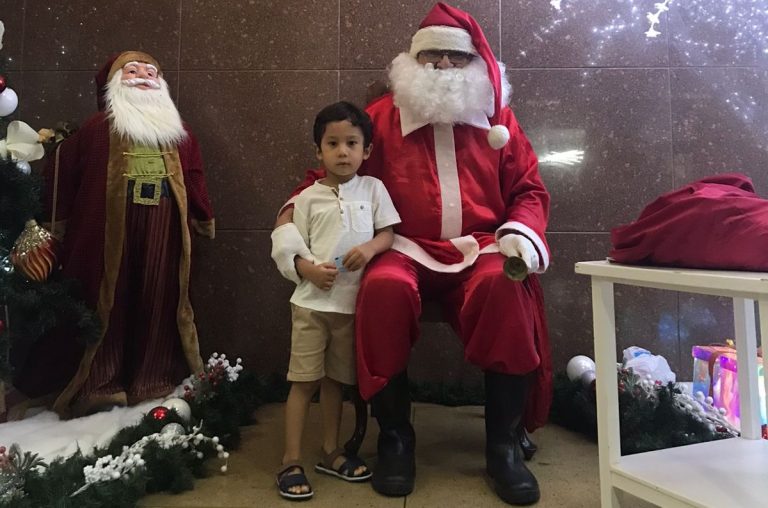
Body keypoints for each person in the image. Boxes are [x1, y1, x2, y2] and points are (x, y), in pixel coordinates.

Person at [272, 3, 551, 505]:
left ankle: (502, 446)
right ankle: (397, 438)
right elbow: (326, 180)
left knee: (503, 291)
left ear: (473, 63)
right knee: (381, 289)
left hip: (481, 247)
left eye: (454, 56)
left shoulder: (497, 120)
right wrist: (289, 237)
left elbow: (529, 190)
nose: (443, 66)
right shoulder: (379, 119)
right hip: (400, 246)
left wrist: (520, 234)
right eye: (432, 56)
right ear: (412, 62)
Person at [12, 51, 215, 418]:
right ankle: (99, 384)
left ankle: (152, 377)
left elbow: (194, 174)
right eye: (132, 71)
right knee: (108, 300)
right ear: (113, 83)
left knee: (158, 297)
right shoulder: (95, 129)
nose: (143, 77)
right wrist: (52, 219)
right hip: (107, 229)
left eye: (150, 71)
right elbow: (66, 171)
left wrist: (202, 215)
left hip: (163, 227)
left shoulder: (179, 134)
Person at [271, 101, 401, 500]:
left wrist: (371, 248)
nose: (342, 152)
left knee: (335, 383)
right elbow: (289, 243)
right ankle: (291, 459)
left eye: (351, 143)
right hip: (312, 306)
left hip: (350, 308)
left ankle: (331, 450)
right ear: (318, 151)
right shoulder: (306, 198)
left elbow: (388, 232)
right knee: (304, 382)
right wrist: (306, 269)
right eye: (333, 143)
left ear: (367, 150)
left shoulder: (373, 189)